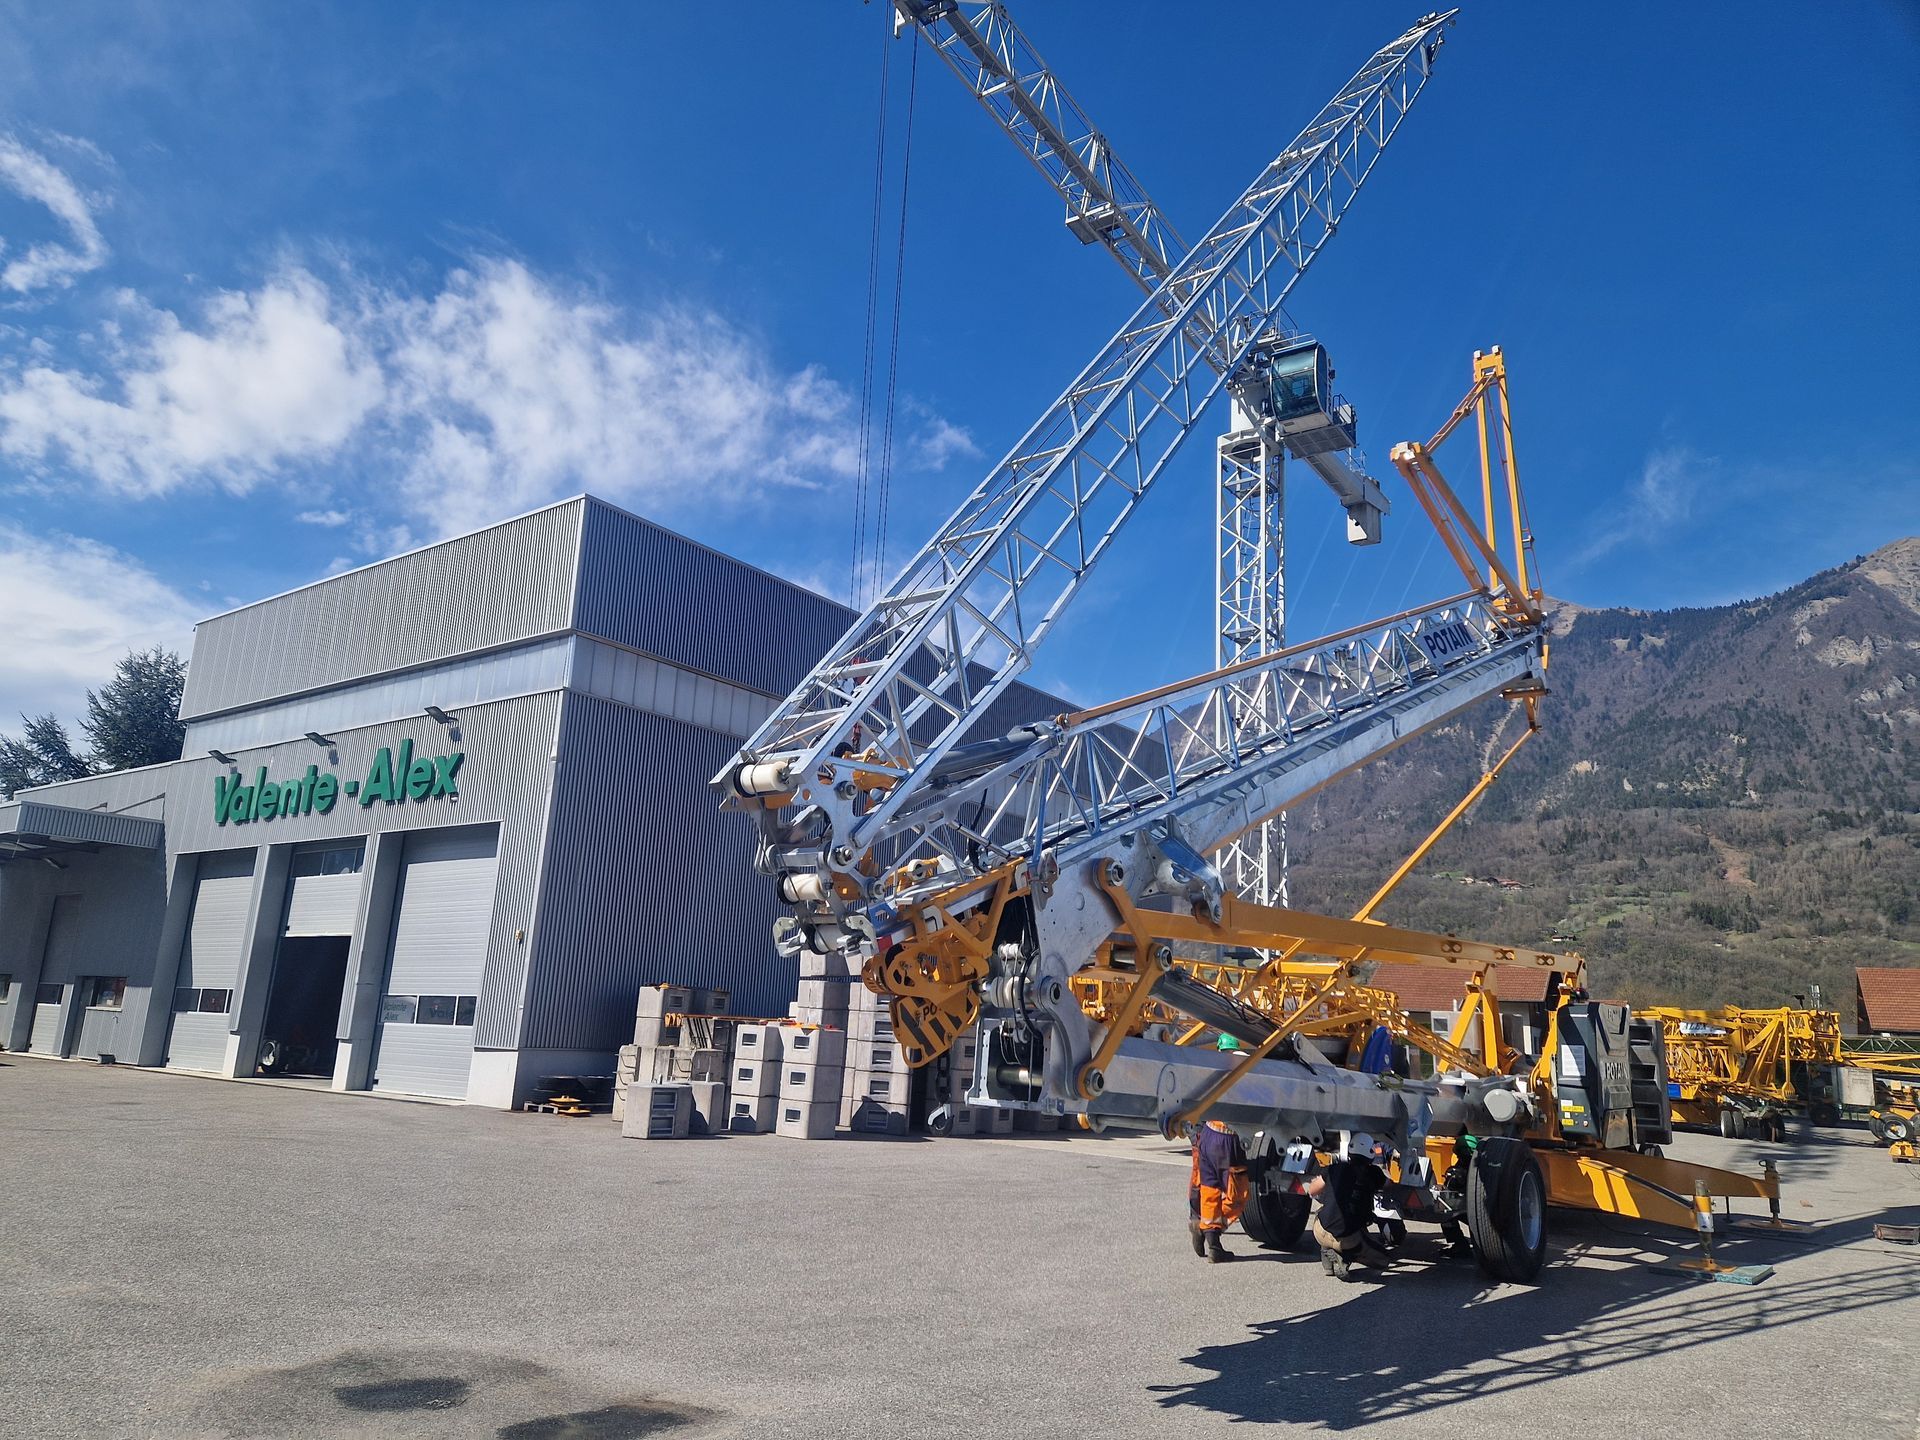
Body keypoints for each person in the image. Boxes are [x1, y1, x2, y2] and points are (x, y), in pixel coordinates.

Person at [1305, 1141, 1392, 1279]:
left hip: (1320, 1229)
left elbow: (1312, 1190)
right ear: (1370, 1155)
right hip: (1348, 1238)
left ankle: (1327, 1249)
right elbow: (1389, 1185)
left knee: (1324, 1210)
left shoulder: (1334, 1168)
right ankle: (1344, 1256)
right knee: (1383, 1260)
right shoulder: (1374, 1173)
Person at [1187, 1116, 1249, 1263]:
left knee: (1209, 1191)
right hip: (1228, 1139)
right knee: (1238, 1195)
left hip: (1207, 1135)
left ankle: (1214, 1245)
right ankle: (1208, 1231)